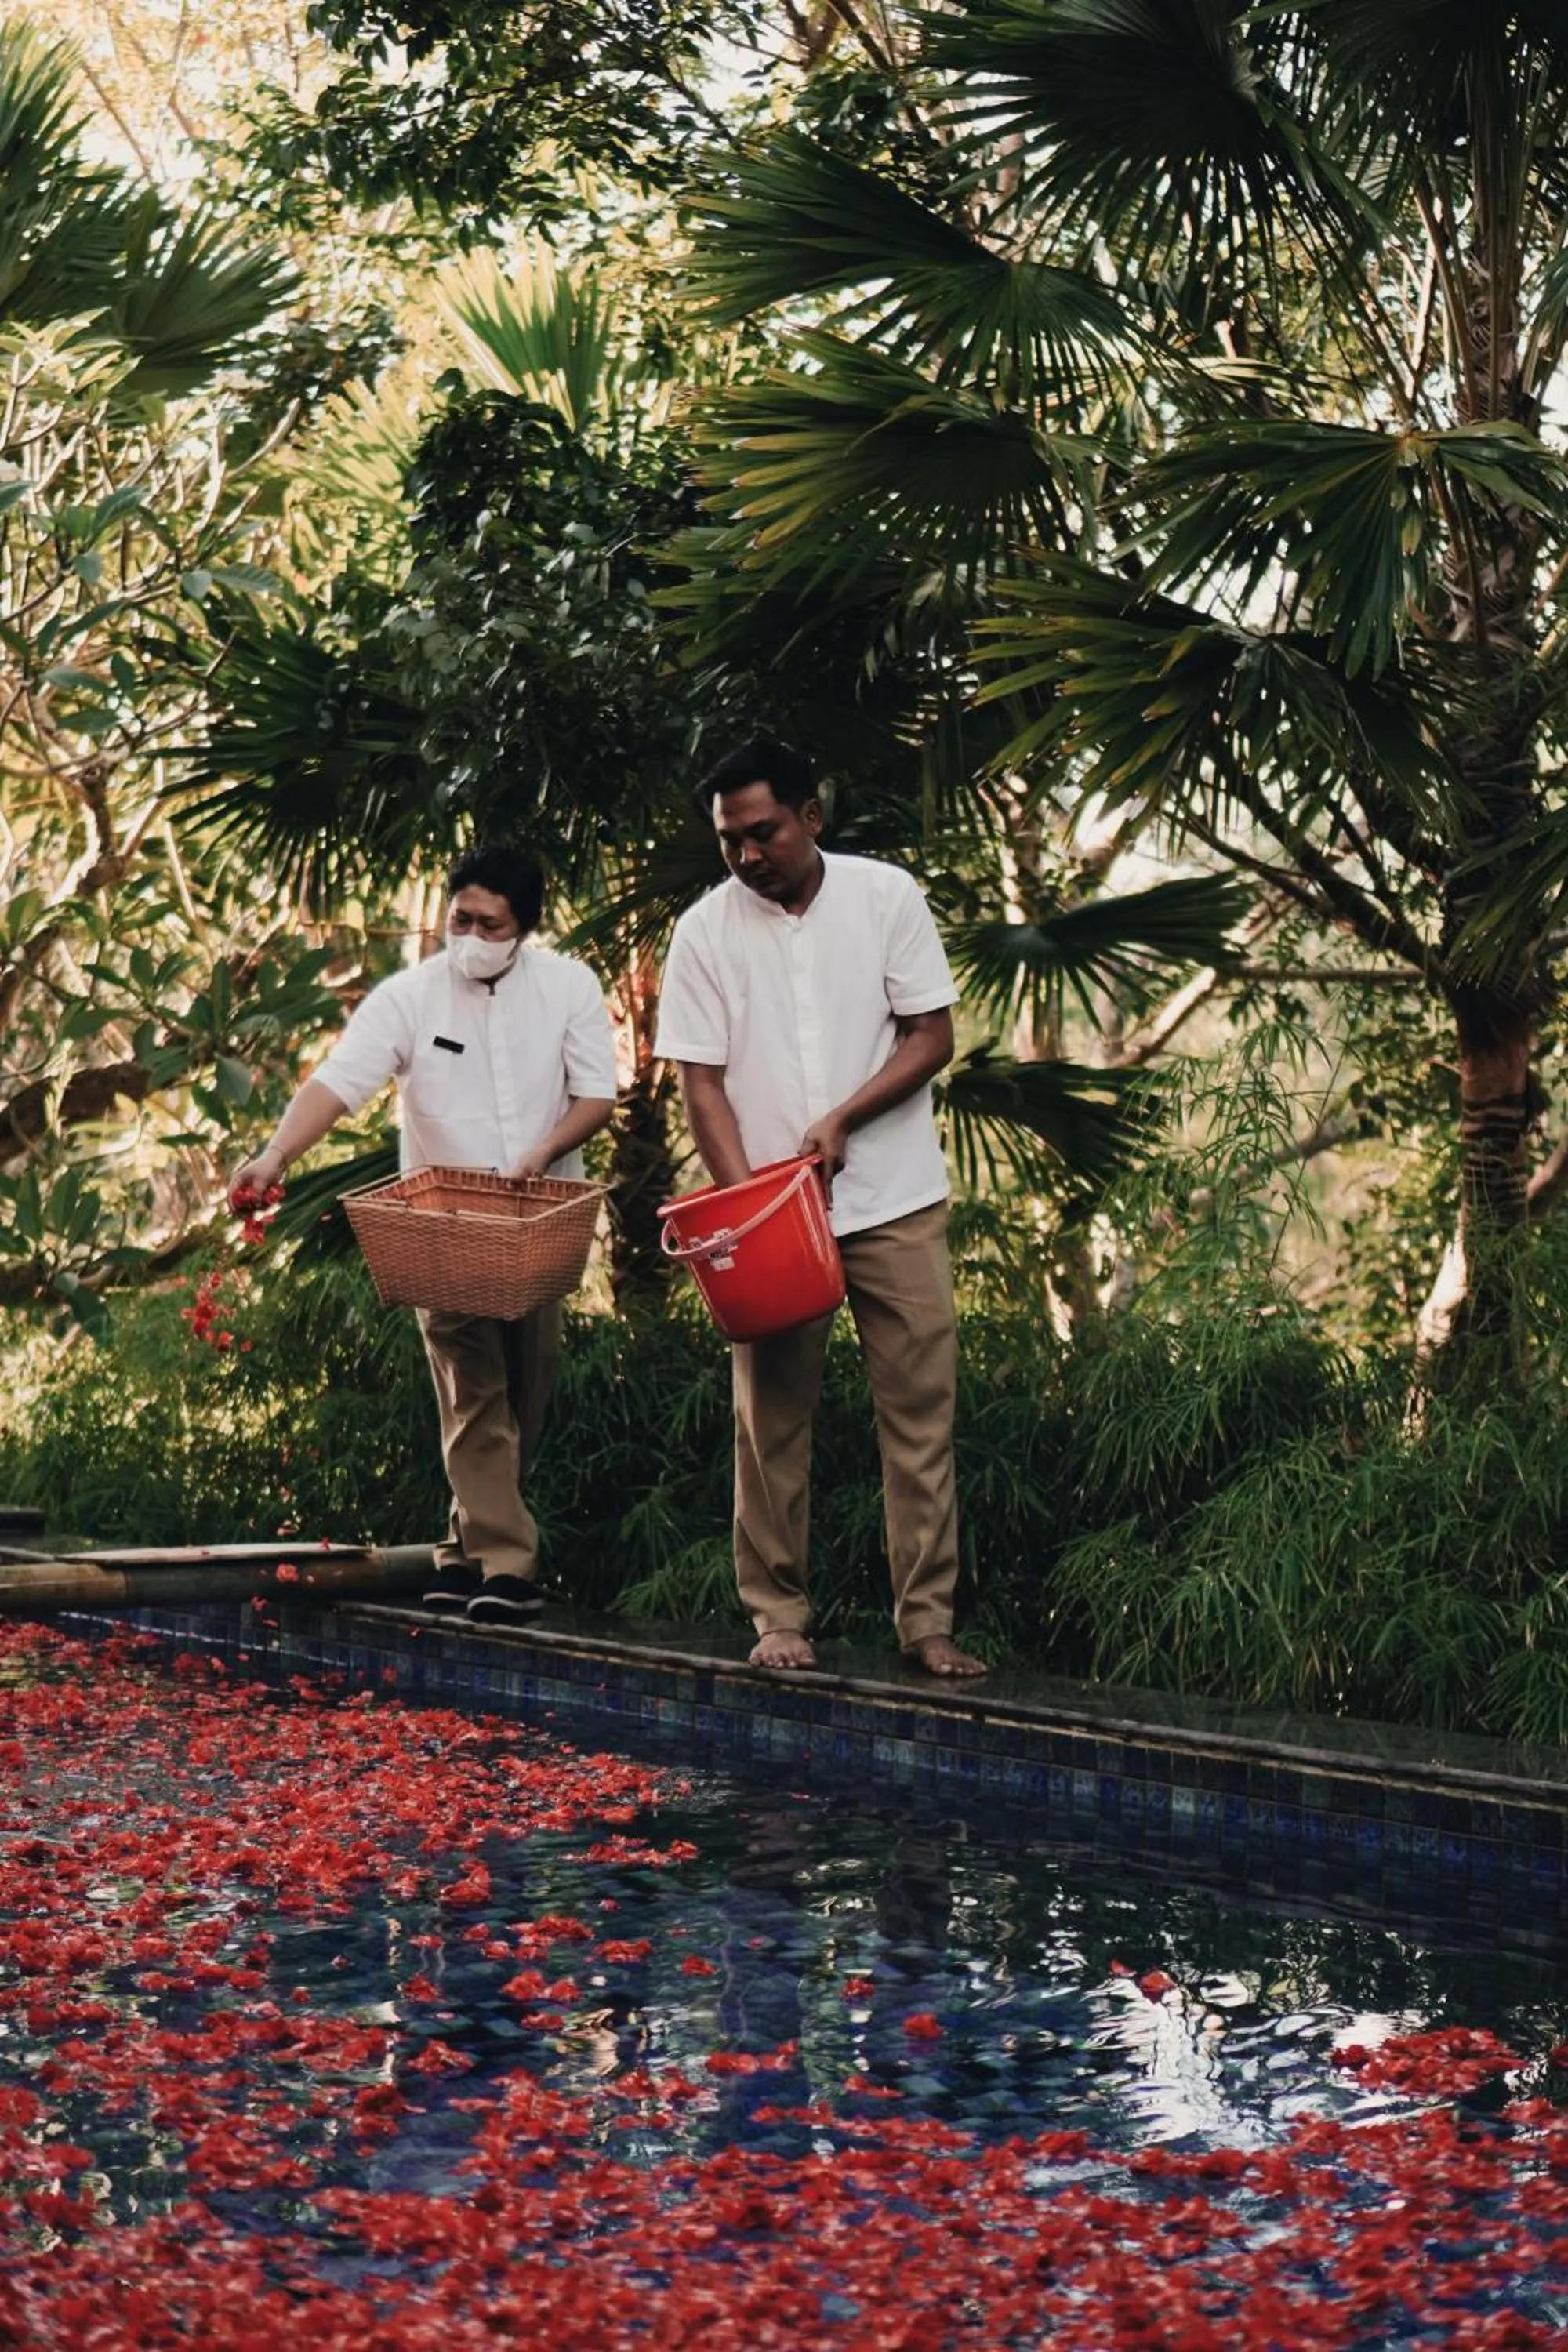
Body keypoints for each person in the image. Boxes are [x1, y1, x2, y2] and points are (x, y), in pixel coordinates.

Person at [655, 737, 985, 1679]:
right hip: (766, 1220)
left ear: (811, 814)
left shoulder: (887, 897)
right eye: (729, 841)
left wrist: (843, 1117)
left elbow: (932, 1036)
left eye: (761, 832)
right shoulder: (702, 932)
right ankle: (775, 1616)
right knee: (769, 1423)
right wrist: (752, 1202)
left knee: (919, 1413)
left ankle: (925, 1624)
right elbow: (700, 1084)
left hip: (894, 1199)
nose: (746, 855)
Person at [227, 844, 618, 1624]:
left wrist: (542, 1153)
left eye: (489, 923)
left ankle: (458, 1552)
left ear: (523, 928)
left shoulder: (569, 986)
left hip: (538, 1219)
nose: (470, 934)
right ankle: (509, 1566)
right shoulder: (408, 997)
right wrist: (273, 1155)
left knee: (522, 1397)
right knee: (474, 1392)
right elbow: (338, 1082)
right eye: (459, 919)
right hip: (441, 1227)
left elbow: (596, 1096)